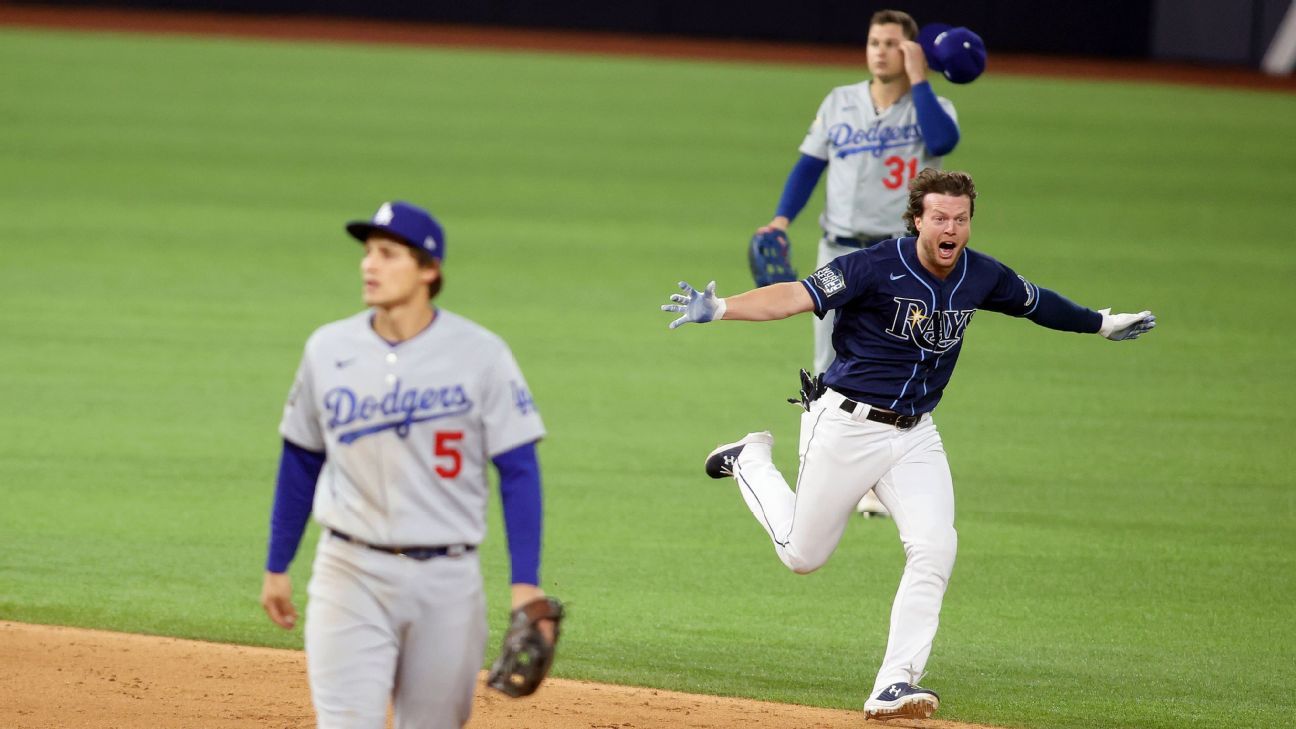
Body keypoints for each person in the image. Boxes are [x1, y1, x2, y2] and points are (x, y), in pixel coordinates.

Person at [662, 169, 1155, 721]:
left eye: (961, 219)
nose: (951, 228)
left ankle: (894, 683)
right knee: (803, 557)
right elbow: (793, 298)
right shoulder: (871, 266)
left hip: (916, 435)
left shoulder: (980, 274)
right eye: (940, 217)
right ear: (918, 219)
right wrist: (722, 307)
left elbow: (1039, 304)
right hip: (845, 425)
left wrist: (1103, 324)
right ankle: (749, 459)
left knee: (935, 546)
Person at [258, 200, 552, 729]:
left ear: (428, 270)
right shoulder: (328, 348)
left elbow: (519, 469)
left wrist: (525, 583)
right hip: (349, 572)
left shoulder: (480, 354)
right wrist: (277, 565)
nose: (369, 265)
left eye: (388, 254)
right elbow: (301, 457)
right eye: (368, 252)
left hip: (448, 581)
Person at [759, 9, 962, 517]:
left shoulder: (932, 107)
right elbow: (809, 165)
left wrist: (920, 79)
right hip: (839, 250)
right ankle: (815, 469)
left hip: (898, 257)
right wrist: (782, 219)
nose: (879, 50)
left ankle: (874, 479)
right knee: (828, 364)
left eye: (892, 43)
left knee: (884, 364)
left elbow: (942, 143)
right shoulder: (840, 102)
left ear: (911, 52)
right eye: (874, 41)